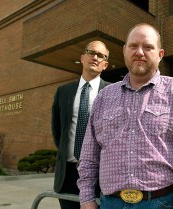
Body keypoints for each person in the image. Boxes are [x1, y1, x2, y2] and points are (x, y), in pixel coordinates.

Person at [77, 23, 173, 209]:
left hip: (162, 203)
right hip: (110, 203)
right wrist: (86, 198)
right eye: (133, 46)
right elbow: (89, 154)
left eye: (148, 47)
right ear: (124, 51)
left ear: (160, 54)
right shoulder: (104, 97)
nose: (139, 52)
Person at [51, 40, 111, 209]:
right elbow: (58, 131)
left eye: (101, 56)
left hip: (99, 175)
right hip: (68, 174)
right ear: (82, 57)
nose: (95, 57)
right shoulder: (63, 92)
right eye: (91, 52)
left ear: (105, 64)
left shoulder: (112, 92)